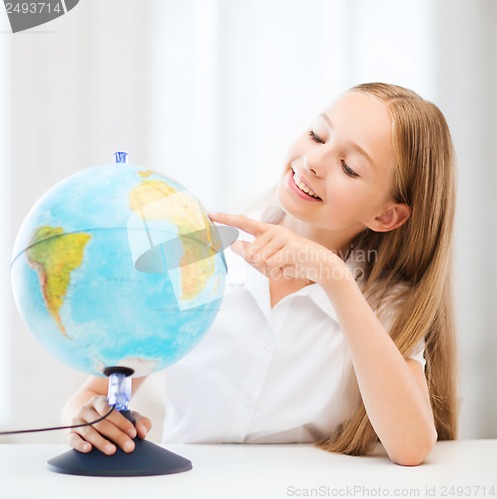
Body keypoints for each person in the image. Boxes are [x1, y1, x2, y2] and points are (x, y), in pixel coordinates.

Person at [62, 82, 457, 466]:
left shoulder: (383, 304)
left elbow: (411, 447)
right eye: (317, 136)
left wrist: (335, 278)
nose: (314, 162)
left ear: (386, 215)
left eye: (349, 167)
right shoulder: (198, 259)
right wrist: (86, 418)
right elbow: (93, 394)